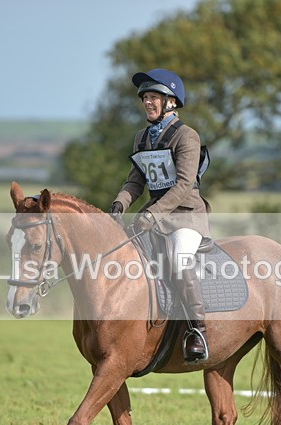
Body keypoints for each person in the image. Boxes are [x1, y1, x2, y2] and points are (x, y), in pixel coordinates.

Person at [109, 68, 211, 363]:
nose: (147, 102)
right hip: (153, 219)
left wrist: (152, 214)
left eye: (154, 97)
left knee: (179, 259)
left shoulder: (187, 136)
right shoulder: (142, 138)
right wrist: (119, 204)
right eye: (145, 97)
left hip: (186, 217)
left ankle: (197, 330)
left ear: (171, 102)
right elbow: (135, 182)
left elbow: (183, 185)